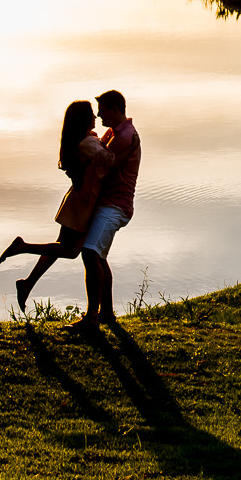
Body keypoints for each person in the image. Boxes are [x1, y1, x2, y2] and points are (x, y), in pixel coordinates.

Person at [0, 100, 107, 310]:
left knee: (60, 247)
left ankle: (27, 284)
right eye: (92, 114)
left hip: (76, 200)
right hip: (83, 205)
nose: (95, 117)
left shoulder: (84, 141)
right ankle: (22, 247)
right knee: (72, 251)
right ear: (84, 119)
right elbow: (109, 161)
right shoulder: (89, 144)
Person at [73, 88, 140, 333]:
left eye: (102, 111)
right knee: (98, 257)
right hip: (108, 203)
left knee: (90, 253)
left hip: (115, 205)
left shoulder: (125, 136)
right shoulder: (114, 132)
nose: (99, 116)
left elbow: (105, 167)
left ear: (114, 110)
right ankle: (107, 313)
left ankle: (92, 317)